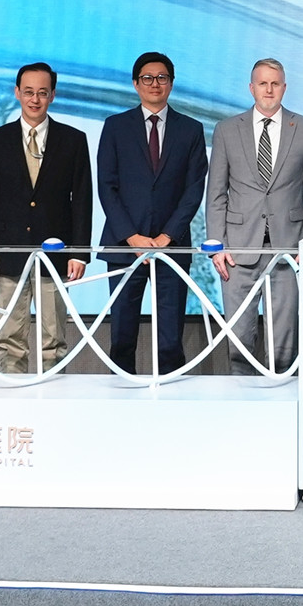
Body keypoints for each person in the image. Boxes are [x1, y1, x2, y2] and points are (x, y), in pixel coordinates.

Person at [208, 59, 303, 374]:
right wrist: (216, 245)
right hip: (237, 251)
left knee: (284, 346)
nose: (269, 90)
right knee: (238, 342)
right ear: (252, 88)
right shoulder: (226, 130)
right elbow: (216, 193)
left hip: (289, 249)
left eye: (275, 84)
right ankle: (241, 397)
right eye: (263, 83)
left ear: (284, 88)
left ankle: (282, 396)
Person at [0, 62, 93, 374]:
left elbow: (82, 201)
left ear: (53, 95)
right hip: (8, 255)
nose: (35, 99)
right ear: (17, 93)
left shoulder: (73, 140)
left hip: (55, 257)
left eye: (42, 92)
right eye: (28, 92)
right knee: (10, 338)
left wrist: (79, 252)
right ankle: (14, 395)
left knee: (54, 338)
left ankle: (53, 396)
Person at [95, 51, 208, 375]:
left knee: (171, 337)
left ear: (171, 83)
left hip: (171, 247)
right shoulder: (115, 126)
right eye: (147, 78)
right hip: (124, 246)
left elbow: (193, 190)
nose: (154, 83)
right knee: (122, 334)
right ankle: (120, 394)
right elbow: (107, 186)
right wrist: (132, 237)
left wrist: (165, 236)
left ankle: (171, 397)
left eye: (162, 78)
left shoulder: (191, 129)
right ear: (136, 84)